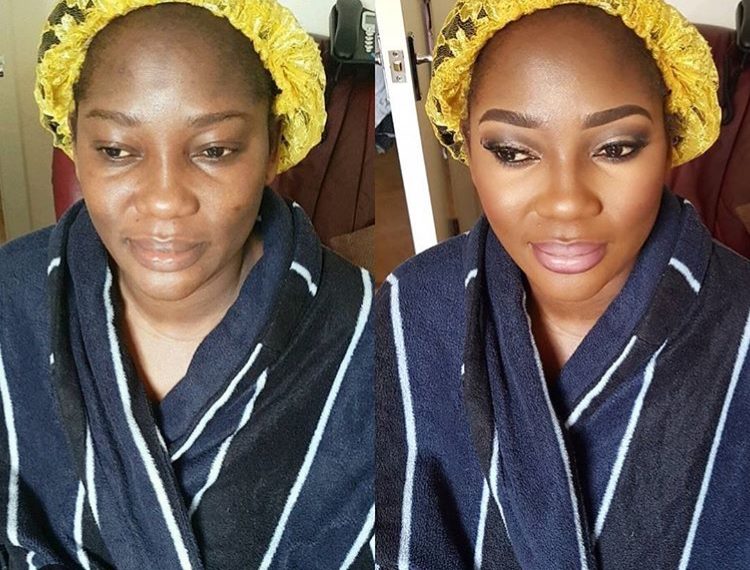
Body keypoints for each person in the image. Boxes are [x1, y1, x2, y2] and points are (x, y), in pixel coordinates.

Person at [376, 0, 750, 568]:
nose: (566, 202)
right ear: (466, 149)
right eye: (512, 152)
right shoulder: (412, 307)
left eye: (616, 148)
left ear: (671, 143)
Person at [0, 1, 373, 568]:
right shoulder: (10, 300)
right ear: (74, 143)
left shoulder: (368, 338)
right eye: (116, 151)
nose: (165, 200)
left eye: (214, 150)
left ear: (273, 147)